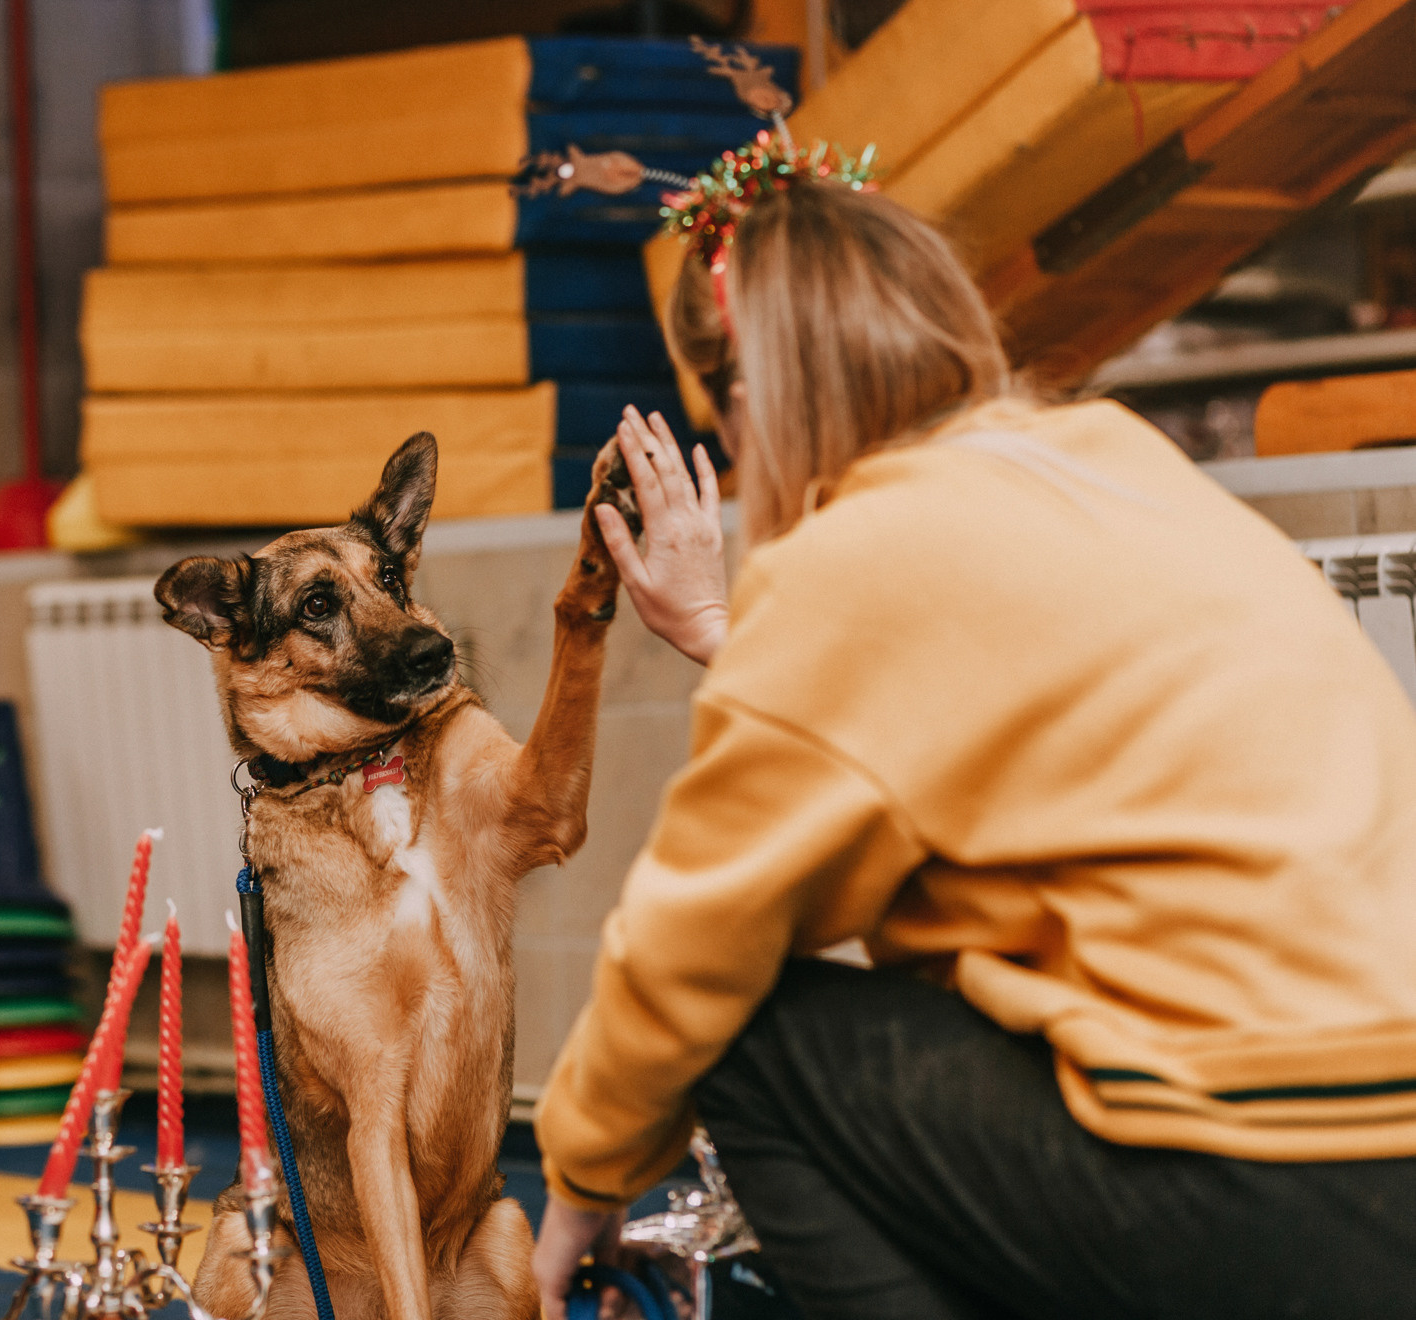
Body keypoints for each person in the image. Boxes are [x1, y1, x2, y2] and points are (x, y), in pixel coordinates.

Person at [529, 158, 1416, 1319]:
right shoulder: (1113, 461)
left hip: (1262, 1164)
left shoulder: (865, 551)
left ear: (749, 403)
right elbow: (963, 726)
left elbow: (685, 947)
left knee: (746, 1040)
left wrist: (578, 1191)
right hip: (1388, 1134)